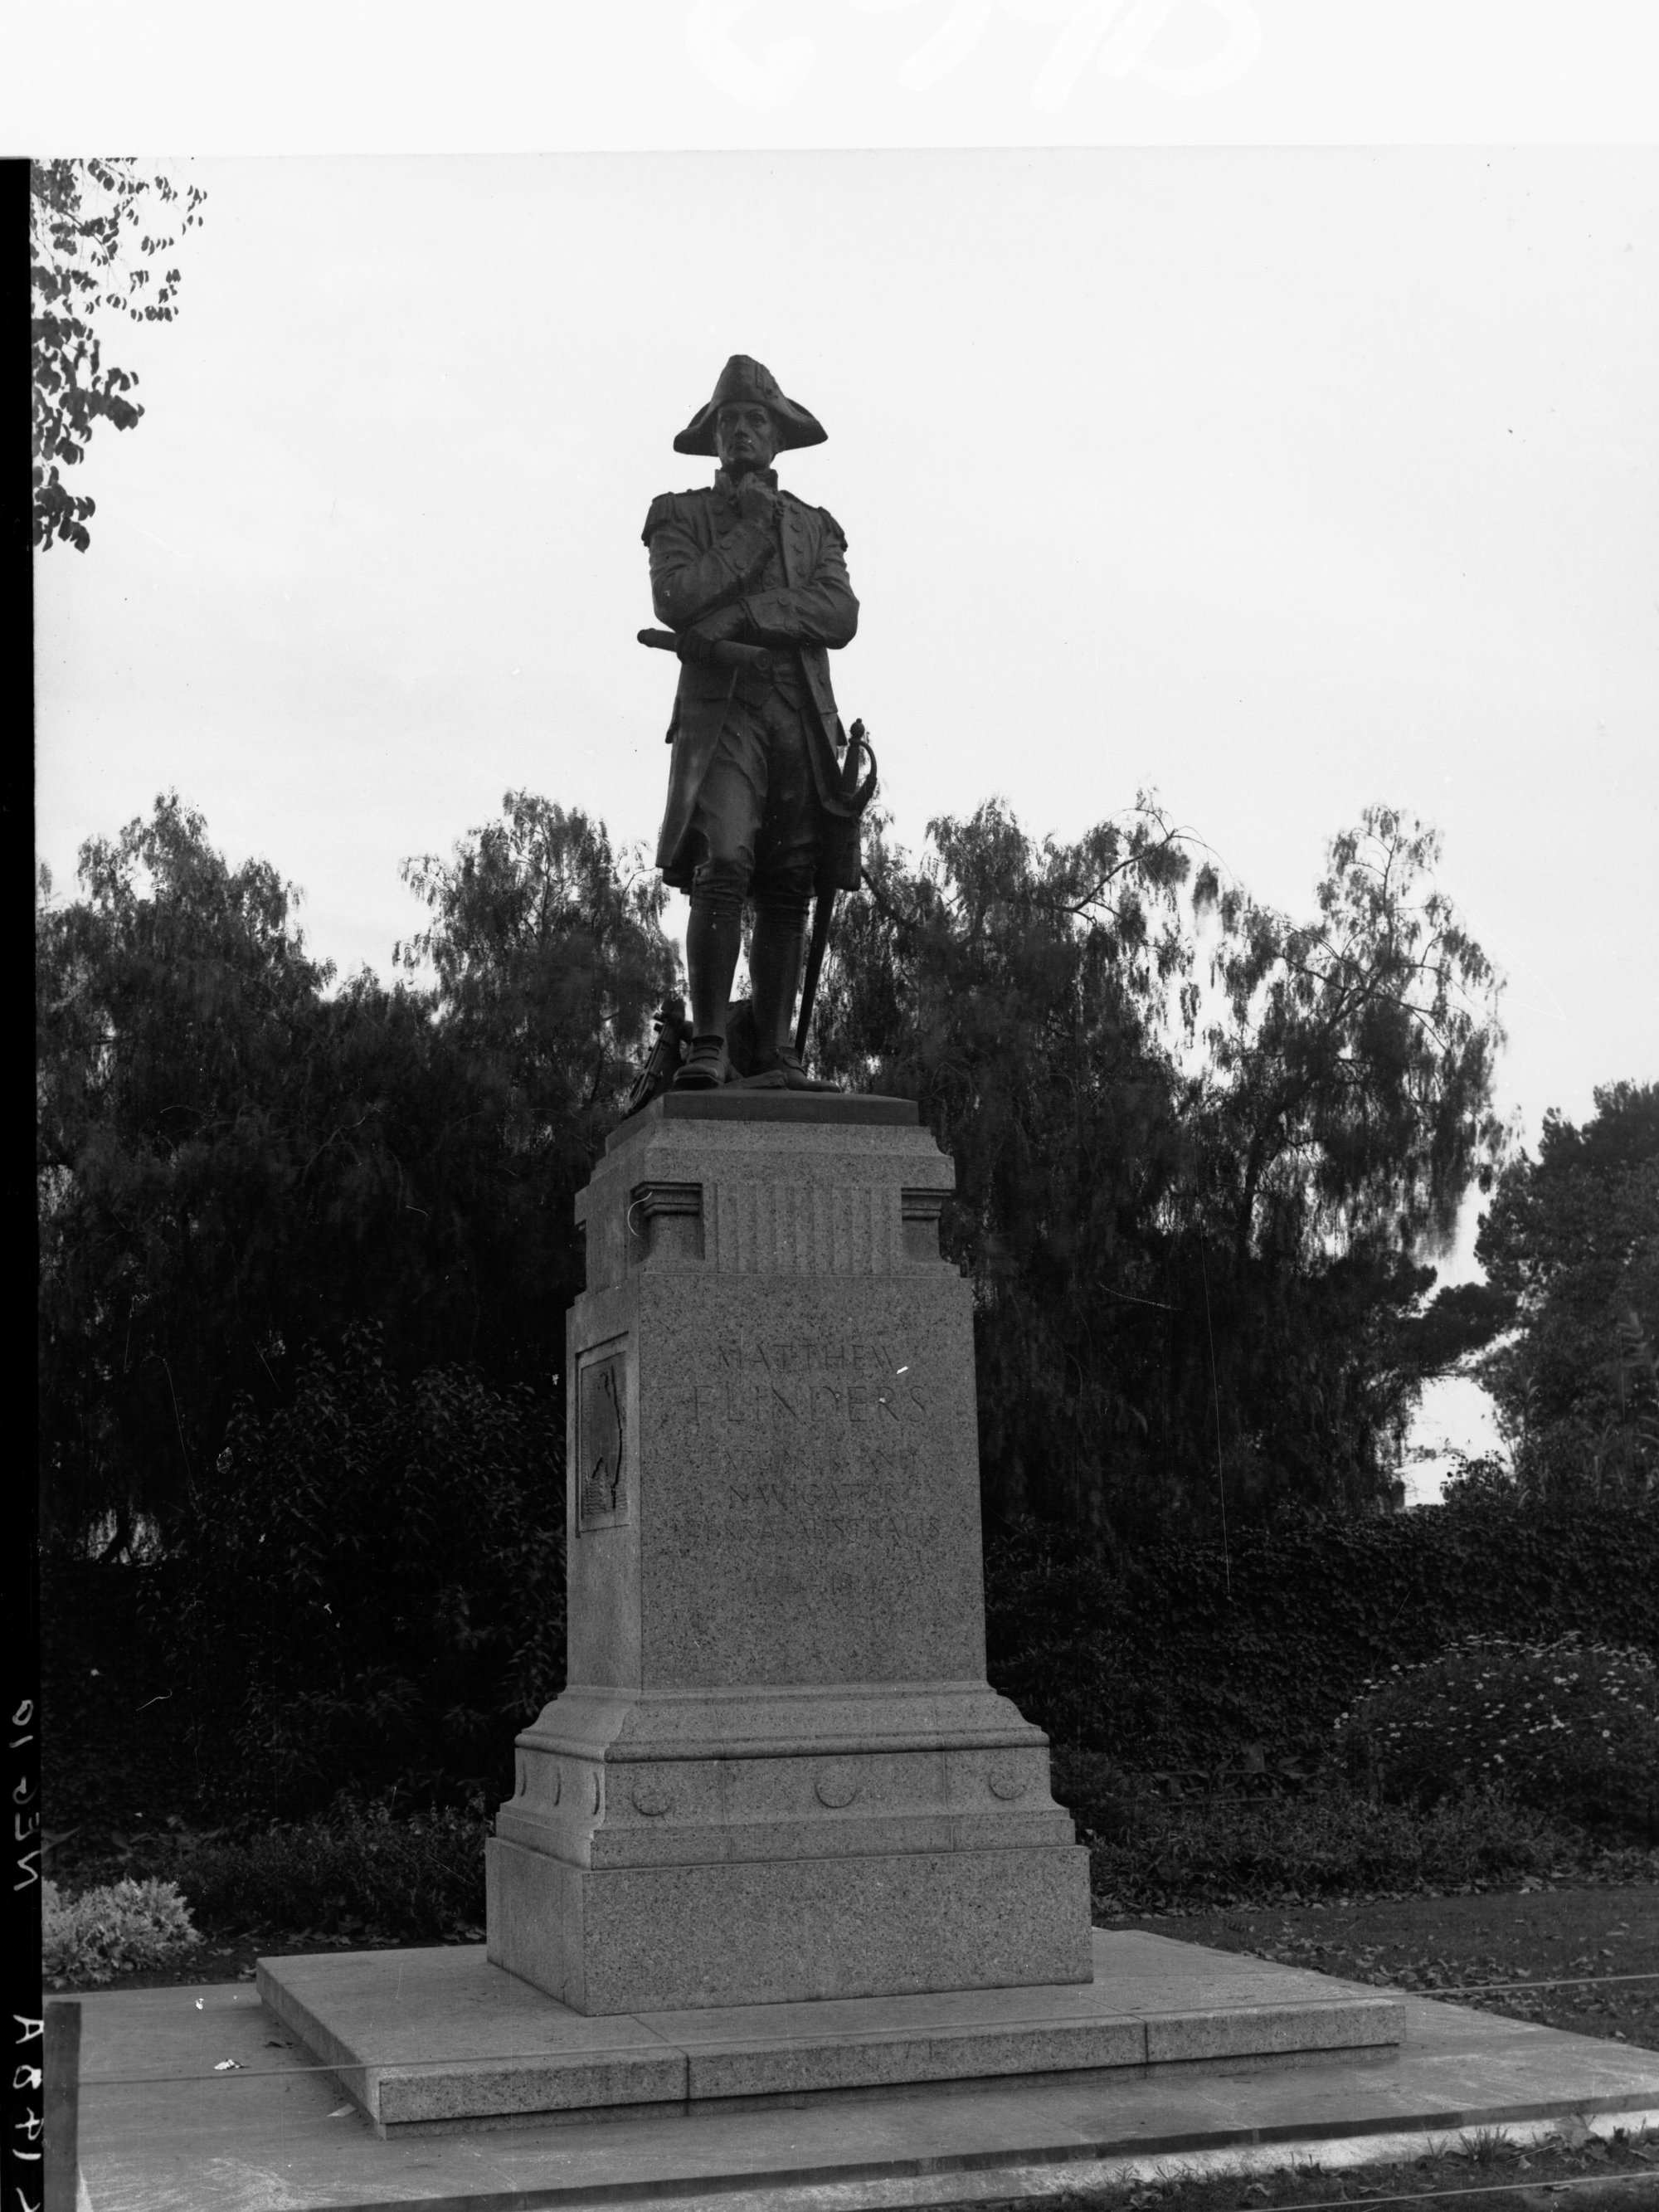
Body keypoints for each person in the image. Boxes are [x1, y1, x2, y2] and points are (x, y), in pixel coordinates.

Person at [644, 356, 860, 1089]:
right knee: (726, 859)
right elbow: (677, 598)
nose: (742, 431)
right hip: (724, 712)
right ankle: (708, 1043)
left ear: (777, 437)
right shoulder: (680, 515)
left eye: (756, 420)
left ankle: (774, 1052)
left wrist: (748, 615)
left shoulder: (815, 527)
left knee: (790, 882)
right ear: (714, 436)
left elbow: (838, 613)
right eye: (730, 421)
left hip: (798, 714)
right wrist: (747, 533)